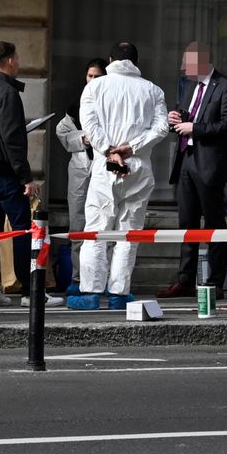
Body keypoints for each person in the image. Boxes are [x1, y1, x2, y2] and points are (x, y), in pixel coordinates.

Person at [0, 41, 60, 308]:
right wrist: (25, 177)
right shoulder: (7, 93)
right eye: (17, 58)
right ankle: (30, 292)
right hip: (4, 173)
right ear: (10, 61)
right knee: (22, 230)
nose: (19, 62)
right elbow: (13, 139)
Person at [73, 41, 169, 310]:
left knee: (96, 229)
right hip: (138, 168)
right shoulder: (153, 91)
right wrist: (131, 148)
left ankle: (90, 292)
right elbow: (161, 129)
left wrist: (109, 151)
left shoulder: (94, 87)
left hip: (106, 166)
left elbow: (89, 126)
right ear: (136, 63)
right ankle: (119, 293)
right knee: (129, 232)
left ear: (111, 59)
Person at [157, 42, 227, 299]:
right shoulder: (189, 86)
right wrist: (176, 120)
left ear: (201, 62)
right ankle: (184, 280)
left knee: (214, 224)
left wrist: (194, 128)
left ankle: (216, 282)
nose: (182, 67)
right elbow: (187, 117)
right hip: (186, 159)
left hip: (210, 164)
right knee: (187, 223)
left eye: (187, 62)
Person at [54, 58, 108, 290]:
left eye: (97, 76)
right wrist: (82, 138)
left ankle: (103, 279)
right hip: (79, 169)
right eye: (90, 76)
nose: (93, 80)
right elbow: (62, 131)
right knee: (78, 224)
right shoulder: (77, 104)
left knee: (105, 225)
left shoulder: (110, 103)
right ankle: (78, 278)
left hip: (103, 169)